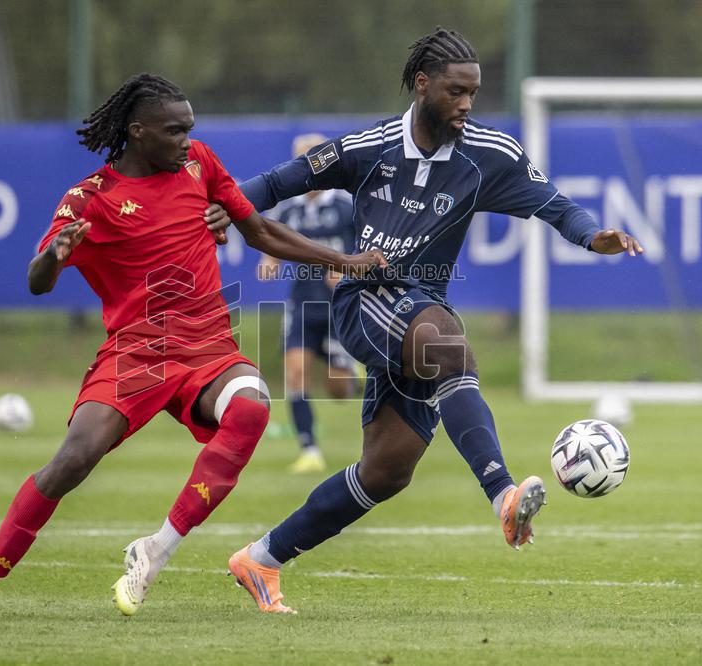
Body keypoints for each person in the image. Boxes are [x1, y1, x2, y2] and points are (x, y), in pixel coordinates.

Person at [228, 28, 645, 613]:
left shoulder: (488, 155)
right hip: (363, 296)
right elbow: (276, 183)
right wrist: (221, 211)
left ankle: (260, 560)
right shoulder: (367, 147)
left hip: (419, 311)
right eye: (456, 91)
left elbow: (554, 204)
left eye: (473, 93)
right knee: (449, 344)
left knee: (386, 470)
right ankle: (502, 495)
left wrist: (590, 235)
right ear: (422, 85)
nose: (467, 105)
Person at [0, 73, 385, 620]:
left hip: (208, 345)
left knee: (251, 406)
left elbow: (263, 232)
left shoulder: (199, 163)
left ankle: (156, 549)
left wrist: (341, 261)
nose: (186, 139)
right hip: (136, 353)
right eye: (174, 131)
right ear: (137, 132)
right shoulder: (91, 199)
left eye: (189, 129)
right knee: (71, 462)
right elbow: (37, 281)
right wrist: (55, 254)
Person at [257, 133, 357, 474]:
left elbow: (369, 249)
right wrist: (269, 259)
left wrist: (346, 269)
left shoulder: (346, 206)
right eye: (298, 160)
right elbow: (271, 239)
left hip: (339, 307)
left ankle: (352, 373)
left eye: (310, 159)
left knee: (340, 389)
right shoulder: (289, 210)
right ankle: (309, 449)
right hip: (302, 303)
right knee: (296, 372)